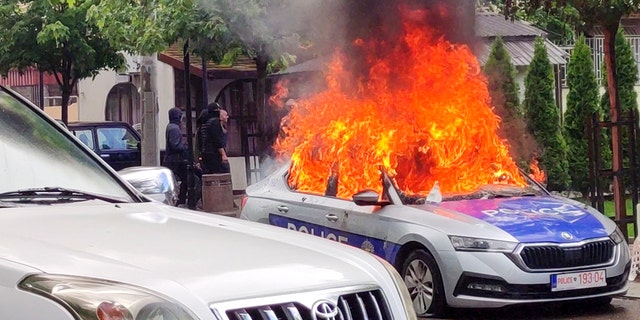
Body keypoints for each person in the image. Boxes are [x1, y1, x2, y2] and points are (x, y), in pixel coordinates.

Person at [163, 107, 189, 206]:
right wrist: (184, 147)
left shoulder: (170, 126)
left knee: (172, 180)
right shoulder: (174, 128)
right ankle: (181, 200)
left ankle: (178, 199)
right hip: (175, 160)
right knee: (186, 179)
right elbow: (175, 145)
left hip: (171, 159)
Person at [200, 106, 229, 174]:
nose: (227, 117)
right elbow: (217, 140)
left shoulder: (207, 123)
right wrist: (223, 154)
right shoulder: (215, 122)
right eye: (226, 115)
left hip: (208, 153)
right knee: (221, 172)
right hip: (214, 154)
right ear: (221, 117)